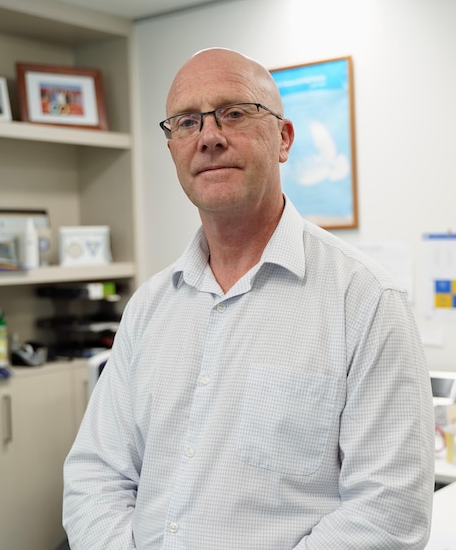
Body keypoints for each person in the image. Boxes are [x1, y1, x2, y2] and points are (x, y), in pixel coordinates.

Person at [62, 47, 436, 550]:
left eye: (234, 114)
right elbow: (96, 475)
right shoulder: (148, 308)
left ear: (283, 139)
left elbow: (389, 512)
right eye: (187, 122)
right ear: (172, 147)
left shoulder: (365, 301)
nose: (209, 137)